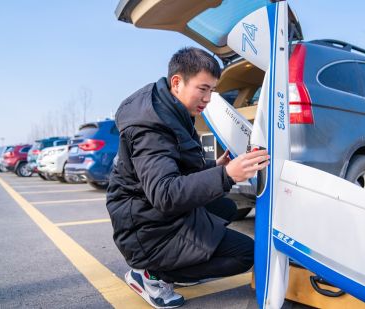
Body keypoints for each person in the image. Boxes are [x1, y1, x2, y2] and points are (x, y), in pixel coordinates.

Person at [106, 47, 269, 308]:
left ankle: (181, 264)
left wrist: (213, 166)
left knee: (225, 208)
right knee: (245, 254)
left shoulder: (167, 105)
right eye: (203, 89)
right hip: (145, 229)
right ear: (177, 82)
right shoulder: (152, 128)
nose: (208, 98)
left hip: (150, 214)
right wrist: (226, 175)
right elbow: (165, 194)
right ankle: (151, 274)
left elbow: (173, 161)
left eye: (212, 90)